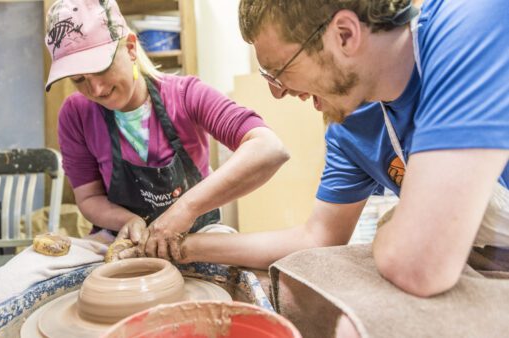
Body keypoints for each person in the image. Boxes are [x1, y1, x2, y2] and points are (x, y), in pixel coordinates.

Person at [147, 0, 509, 336]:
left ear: (345, 35)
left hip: (453, 261)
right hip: (469, 255)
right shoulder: (350, 123)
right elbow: (317, 237)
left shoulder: (470, 22)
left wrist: (398, 233)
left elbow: (420, 264)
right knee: (294, 287)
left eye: (280, 71)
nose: (278, 92)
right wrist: (185, 247)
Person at [44, 0, 289, 259]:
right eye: (79, 79)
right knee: (34, 270)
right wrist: (129, 221)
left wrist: (185, 210)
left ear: (130, 47)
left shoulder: (186, 95)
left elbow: (269, 148)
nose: (96, 90)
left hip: (195, 236)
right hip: (121, 238)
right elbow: (89, 197)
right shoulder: (75, 114)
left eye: (101, 69)